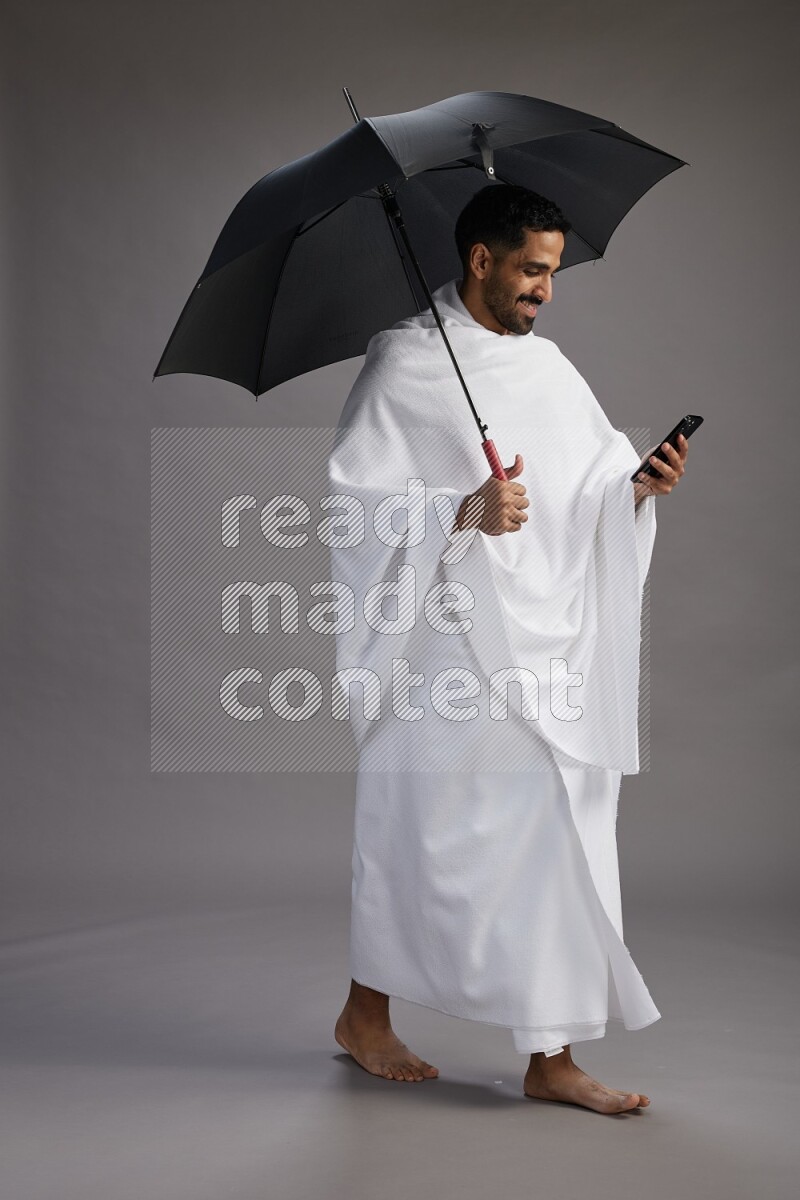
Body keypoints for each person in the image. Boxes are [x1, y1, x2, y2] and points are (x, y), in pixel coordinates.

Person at [329, 184, 689, 1115]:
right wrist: (465, 511)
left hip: (546, 648)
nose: (546, 292)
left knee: (561, 830)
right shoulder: (405, 364)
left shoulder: (551, 369)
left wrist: (635, 489)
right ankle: (364, 1015)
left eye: (554, 273)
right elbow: (353, 515)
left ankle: (550, 1056)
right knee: (423, 838)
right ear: (480, 260)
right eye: (532, 270)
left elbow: (591, 482)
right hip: (444, 653)